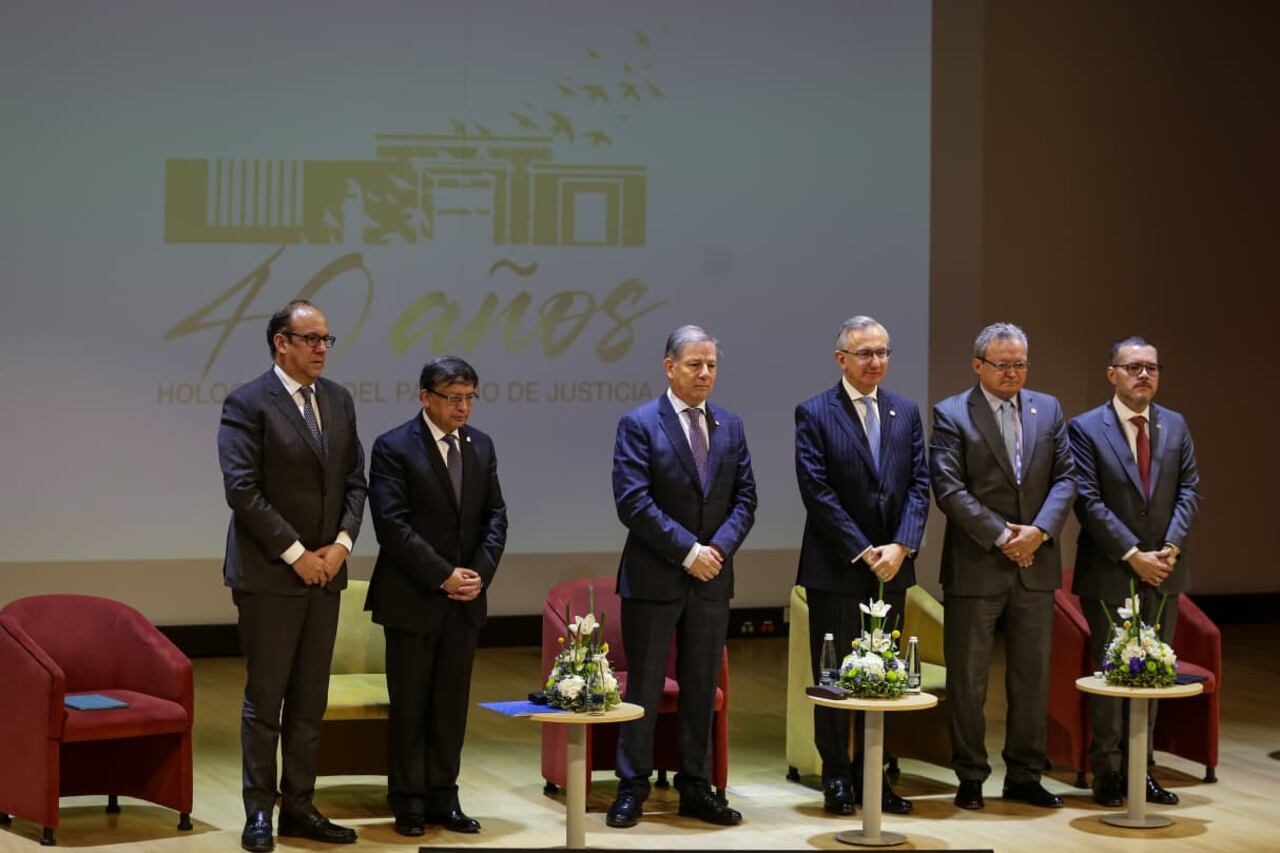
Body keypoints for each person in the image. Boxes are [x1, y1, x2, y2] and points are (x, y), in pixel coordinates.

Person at [218, 300, 367, 852]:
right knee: (266, 700)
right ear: (281, 342)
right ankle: (259, 812)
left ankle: (300, 807)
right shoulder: (248, 402)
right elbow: (242, 490)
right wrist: (297, 553)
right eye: (311, 339)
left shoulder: (339, 400)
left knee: (309, 701)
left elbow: (355, 480)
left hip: (327, 573)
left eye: (328, 339)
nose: (322, 349)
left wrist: (340, 547)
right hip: (270, 577)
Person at [606, 325, 757, 829]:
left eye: (712, 364)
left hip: (712, 578)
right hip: (655, 577)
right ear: (669, 367)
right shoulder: (639, 423)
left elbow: (746, 499)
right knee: (644, 688)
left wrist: (716, 549)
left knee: (699, 689)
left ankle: (697, 787)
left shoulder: (731, 425)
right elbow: (633, 502)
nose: (705, 373)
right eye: (695, 364)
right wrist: (687, 550)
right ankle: (632, 786)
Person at [928, 322, 1075, 811]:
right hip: (976, 564)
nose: (1013, 372)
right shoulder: (952, 413)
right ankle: (970, 775)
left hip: (1036, 562)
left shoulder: (1048, 408)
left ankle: (1025, 775)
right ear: (978, 366)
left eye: (1020, 364)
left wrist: (1039, 531)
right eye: (1002, 364)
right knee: (968, 680)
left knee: (1031, 677)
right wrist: (1002, 535)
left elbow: (1066, 478)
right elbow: (948, 489)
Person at [365, 356, 508, 837]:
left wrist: (478, 575)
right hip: (412, 599)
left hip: (465, 601)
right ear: (426, 397)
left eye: (469, 397)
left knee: (450, 705)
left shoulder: (481, 446)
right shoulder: (393, 447)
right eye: (453, 398)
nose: (462, 407)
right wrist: (443, 574)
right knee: (411, 706)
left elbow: (496, 517)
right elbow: (392, 525)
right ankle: (407, 801)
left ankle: (444, 797)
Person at [794, 316, 929, 816]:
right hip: (837, 567)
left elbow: (920, 484)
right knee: (835, 676)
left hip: (893, 567)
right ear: (841, 359)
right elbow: (817, 492)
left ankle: (875, 776)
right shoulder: (813, 412)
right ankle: (835, 776)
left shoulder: (905, 412)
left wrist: (901, 546)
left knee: (886, 673)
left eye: (883, 352)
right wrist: (863, 548)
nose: (876, 362)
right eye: (865, 353)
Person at [1069, 336, 1200, 807]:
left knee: (1155, 674)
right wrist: (1132, 553)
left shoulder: (1175, 425)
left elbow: (1189, 491)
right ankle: (1107, 770)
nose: (1144, 375)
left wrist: (1169, 548)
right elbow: (1087, 500)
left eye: (1151, 367)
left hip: (1165, 571)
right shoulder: (1085, 428)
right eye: (1133, 367)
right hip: (1110, 570)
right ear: (1112, 375)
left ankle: (1142, 770)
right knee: (1112, 675)